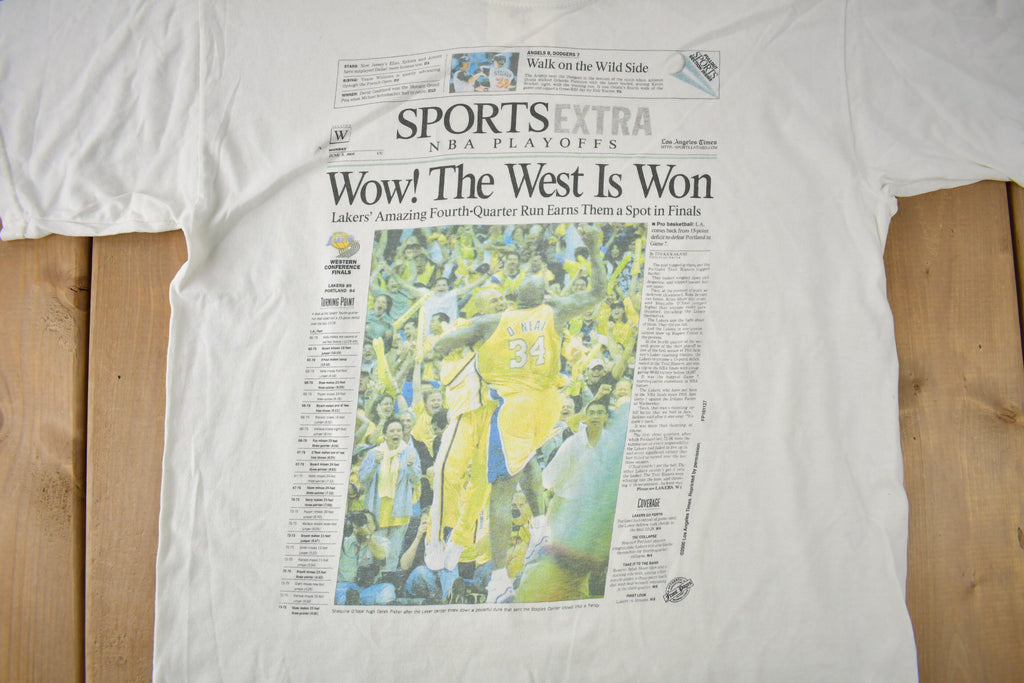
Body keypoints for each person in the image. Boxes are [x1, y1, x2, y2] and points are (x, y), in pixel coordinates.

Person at [432, 224, 608, 602]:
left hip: (512, 408)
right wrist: (595, 248)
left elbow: (441, 345)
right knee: (525, 462)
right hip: (545, 406)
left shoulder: (489, 323)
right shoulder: (554, 311)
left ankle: (498, 582)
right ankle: (541, 527)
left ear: (512, 298)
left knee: (499, 491)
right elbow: (597, 292)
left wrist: (465, 342)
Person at [358, 417, 421, 571]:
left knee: (393, 551)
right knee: (377, 550)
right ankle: (374, 578)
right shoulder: (374, 453)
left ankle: (389, 577)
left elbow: (416, 478)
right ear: (385, 434)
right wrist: (375, 464)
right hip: (377, 511)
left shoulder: (410, 452)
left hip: (399, 511)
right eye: (392, 431)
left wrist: (411, 466)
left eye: (399, 430)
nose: (396, 433)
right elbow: (362, 478)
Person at [334, 510, 395, 606]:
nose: (363, 526)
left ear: (375, 526)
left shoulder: (382, 541)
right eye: (361, 523)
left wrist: (368, 536)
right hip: (346, 586)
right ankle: (350, 602)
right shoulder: (345, 540)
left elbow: (381, 555)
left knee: (388, 589)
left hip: (369, 589)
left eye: (368, 523)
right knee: (338, 590)